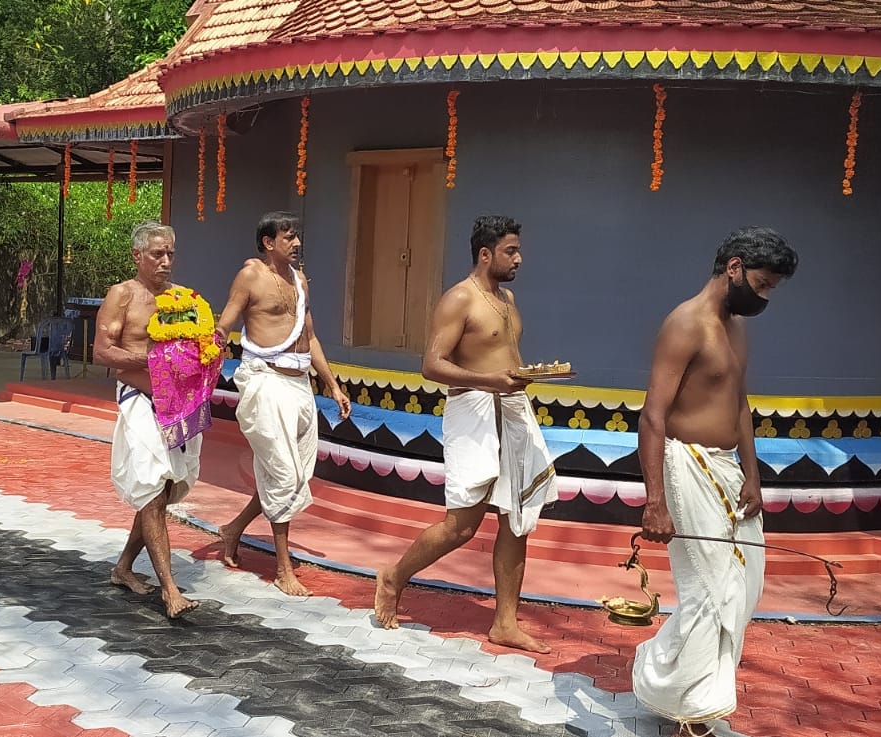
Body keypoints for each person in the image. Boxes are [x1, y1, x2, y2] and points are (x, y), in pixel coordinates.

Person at [632, 226, 798, 737]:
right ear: (734, 268)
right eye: (763, 284)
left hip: (729, 474)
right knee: (707, 592)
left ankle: (666, 678)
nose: (765, 296)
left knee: (743, 588)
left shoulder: (736, 327)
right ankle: (691, 711)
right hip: (688, 469)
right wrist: (654, 502)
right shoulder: (686, 324)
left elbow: (739, 404)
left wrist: (753, 474)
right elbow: (651, 416)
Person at [373, 215, 556, 654]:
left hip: (512, 411)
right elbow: (431, 365)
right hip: (473, 412)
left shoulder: (507, 299)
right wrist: (493, 382)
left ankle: (505, 623)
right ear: (485, 254)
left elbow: (503, 358)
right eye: (511, 251)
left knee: (517, 518)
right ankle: (393, 577)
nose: (519, 259)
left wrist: (519, 378)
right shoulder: (459, 299)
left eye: (518, 250)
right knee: (461, 526)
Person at [215, 211, 351, 596]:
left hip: (300, 384)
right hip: (266, 381)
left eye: (297, 237)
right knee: (284, 475)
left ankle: (233, 529)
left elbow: (311, 338)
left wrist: (334, 386)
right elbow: (226, 320)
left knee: (291, 474)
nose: (296, 243)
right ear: (268, 242)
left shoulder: (300, 280)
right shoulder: (251, 276)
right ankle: (283, 568)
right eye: (288, 238)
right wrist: (215, 339)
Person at [96, 221, 202, 618]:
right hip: (138, 398)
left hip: (177, 404)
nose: (165, 261)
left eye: (170, 253)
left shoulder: (185, 298)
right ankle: (170, 590)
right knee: (154, 488)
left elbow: (198, 345)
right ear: (137, 256)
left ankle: (123, 567)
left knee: (166, 486)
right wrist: (154, 361)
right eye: (157, 254)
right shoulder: (122, 295)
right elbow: (103, 352)